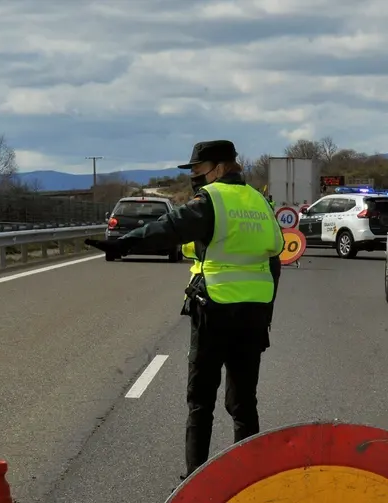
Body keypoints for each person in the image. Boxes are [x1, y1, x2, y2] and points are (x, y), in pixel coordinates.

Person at [108, 140, 284, 479]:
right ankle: (250, 483)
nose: (195, 177)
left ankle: (195, 484)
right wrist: (266, 316)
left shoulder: (212, 200)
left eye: (198, 170)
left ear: (218, 168)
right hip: (253, 314)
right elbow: (273, 259)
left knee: (200, 402)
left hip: (214, 309)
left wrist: (125, 243)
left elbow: (170, 227)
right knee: (244, 403)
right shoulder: (260, 202)